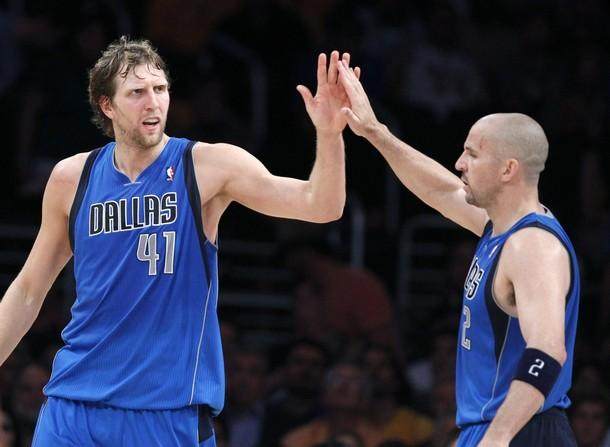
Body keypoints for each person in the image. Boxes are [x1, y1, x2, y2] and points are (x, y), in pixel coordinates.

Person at [0, 36, 358, 446]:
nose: (153, 102)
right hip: (73, 406)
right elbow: (28, 291)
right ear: (107, 106)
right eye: (136, 93)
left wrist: (330, 135)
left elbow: (321, 206)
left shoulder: (207, 165)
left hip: (166, 412)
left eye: (160, 89)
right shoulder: (71, 178)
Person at [337, 61, 580, 446]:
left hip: (521, 432)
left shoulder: (533, 246)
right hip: (493, 428)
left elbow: (548, 350)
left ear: (508, 170)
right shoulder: (500, 227)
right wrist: (374, 132)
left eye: (472, 154)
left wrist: (498, 437)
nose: (459, 163)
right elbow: (440, 189)